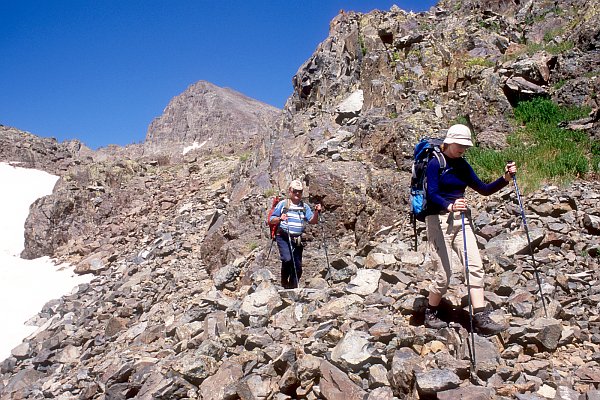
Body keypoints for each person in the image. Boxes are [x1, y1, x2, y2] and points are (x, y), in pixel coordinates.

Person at [423, 124, 516, 336]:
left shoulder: (463, 165)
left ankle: (480, 317)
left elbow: (483, 189)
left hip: (461, 220)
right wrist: (450, 205)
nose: (463, 149)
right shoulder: (435, 163)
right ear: (449, 142)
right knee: (443, 275)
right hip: (438, 220)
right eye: (459, 145)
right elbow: (432, 194)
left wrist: (506, 179)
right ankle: (431, 312)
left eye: (465, 146)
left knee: (474, 266)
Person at [269, 180, 322, 289]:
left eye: (300, 191)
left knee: (297, 267)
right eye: (295, 191)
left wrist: (317, 212)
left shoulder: (304, 206)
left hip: (297, 239)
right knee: (287, 259)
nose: (297, 194)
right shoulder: (283, 204)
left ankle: (292, 288)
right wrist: (280, 218)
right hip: (283, 236)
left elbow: (312, 220)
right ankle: (284, 283)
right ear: (290, 191)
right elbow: (271, 219)